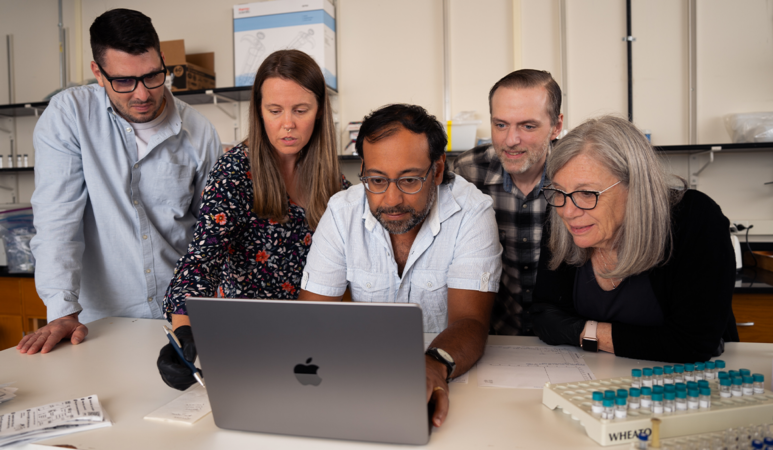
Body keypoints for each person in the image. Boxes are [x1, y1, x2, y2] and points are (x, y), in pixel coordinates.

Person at [18, 9, 221, 355]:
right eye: (124, 81)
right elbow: (57, 220)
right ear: (98, 72)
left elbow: (214, 233)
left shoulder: (199, 131)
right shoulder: (70, 116)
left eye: (153, 76)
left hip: (181, 317)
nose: (142, 94)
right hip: (97, 325)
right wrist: (63, 309)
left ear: (163, 62)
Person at [298, 104, 502, 428]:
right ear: (362, 169)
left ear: (436, 170)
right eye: (376, 180)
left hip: (448, 375)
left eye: (409, 180)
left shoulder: (471, 213)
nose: (391, 199)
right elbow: (312, 319)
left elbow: (470, 321)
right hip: (358, 376)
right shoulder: (341, 212)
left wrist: (434, 365)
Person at [157, 49, 348, 390]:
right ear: (259, 112)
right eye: (274, 110)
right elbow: (202, 259)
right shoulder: (235, 172)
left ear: (319, 112)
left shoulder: (335, 184)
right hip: (248, 344)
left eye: (300, 110)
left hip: (316, 346)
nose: (287, 123)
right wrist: (183, 331)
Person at [531, 115, 739, 363]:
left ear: (635, 186)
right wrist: (641, 339)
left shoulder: (695, 218)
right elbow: (543, 316)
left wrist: (586, 333)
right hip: (596, 381)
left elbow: (692, 344)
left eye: (587, 193)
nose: (567, 211)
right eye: (558, 191)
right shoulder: (564, 213)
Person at [453, 69, 564, 336]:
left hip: (565, 337)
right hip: (493, 338)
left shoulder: (577, 173)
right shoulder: (469, 172)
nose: (511, 140)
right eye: (500, 125)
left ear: (556, 126)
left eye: (528, 126)